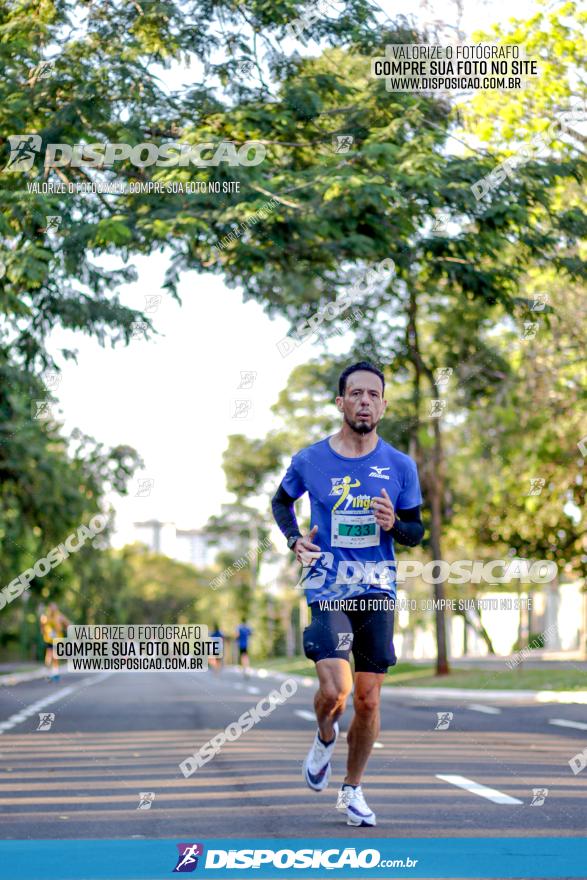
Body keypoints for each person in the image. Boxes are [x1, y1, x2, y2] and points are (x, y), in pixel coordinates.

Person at [271, 361, 424, 827]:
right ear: (341, 402)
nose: (364, 401)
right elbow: (280, 501)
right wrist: (295, 540)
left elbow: (416, 532)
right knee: (335, 691)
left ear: (383, 404)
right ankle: (323, 737)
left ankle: (352, 790)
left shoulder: (400, 466)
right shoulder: (310, 460)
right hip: (328, 586)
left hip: (377, 589)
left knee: (369, 699)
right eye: (355, 394)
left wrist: (393, 524)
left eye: (372, 394)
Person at [39, 602, 71, 682]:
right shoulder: (46, 616)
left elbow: (67, 624)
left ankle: (55, 674)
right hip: (49, 639)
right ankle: (48, 673)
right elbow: (42, 626)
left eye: (54, 608)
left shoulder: (59, 616)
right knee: (49, 655)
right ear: (49, 608)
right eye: (51, 608)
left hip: (57, 639)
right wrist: (43, 630)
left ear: (56, 608)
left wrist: (66, 629)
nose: (53, 609)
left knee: (55, 656)